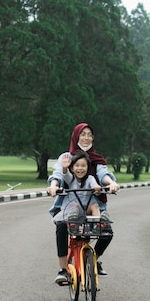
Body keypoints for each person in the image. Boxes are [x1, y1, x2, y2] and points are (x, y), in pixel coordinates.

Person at [47, 122, 119, 285]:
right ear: (76, 136)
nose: (86, 138)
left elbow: (102, 174)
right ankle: (63, 269)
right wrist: (53, 186)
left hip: (93, 205)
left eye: (89, 134)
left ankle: (94, 259)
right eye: (83, 134)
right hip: (71, 203)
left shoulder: (97, 159)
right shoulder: (66, 157)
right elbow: (59, 174)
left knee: (107, 231)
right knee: (62, 226)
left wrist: (111, 184)